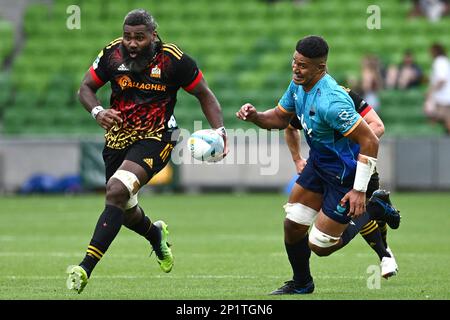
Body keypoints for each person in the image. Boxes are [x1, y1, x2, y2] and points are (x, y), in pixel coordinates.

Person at [66, 9, 227, 293]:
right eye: (128, 36)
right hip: (117, 138)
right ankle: (155, 234)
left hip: (158, 136)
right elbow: (85, 88)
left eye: (139, 37)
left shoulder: (174, 60)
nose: (132, 43)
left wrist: (220, 133)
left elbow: (205, 94)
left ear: (153, 35)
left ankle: (84, 267)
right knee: (124, 209)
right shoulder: (111, 55)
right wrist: (98, 111)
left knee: (116, 191)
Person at [236, 35, 400, 294]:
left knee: (321, 245)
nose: (295, 68)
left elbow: (370, 140)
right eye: (294, 61)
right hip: (318, 166)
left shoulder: (333, 102)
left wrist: (358, 190)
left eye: (302, 65)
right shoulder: (297, 85)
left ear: (320, 68)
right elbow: (280, 118)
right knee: (293, 223)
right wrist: (255, 117)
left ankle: (374, 208)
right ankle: (302, 283)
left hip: (343, 174)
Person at [284, 87, 399, 280]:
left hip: (355, 167)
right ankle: (384, 251)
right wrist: (297, 159)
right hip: (324, 170)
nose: (296, 70)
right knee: (355, 213)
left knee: (356, 212)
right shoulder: (304, 97)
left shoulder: (343, 96)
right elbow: (289, 126)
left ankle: (384, 250)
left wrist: (351, 147)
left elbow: (377, 126)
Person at [425, 43, 450, 134]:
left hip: (443, 97)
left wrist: (431, 91)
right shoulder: (444, 61)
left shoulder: (439, 61)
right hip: (444, 96)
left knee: (443, 118)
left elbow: (441, 79)